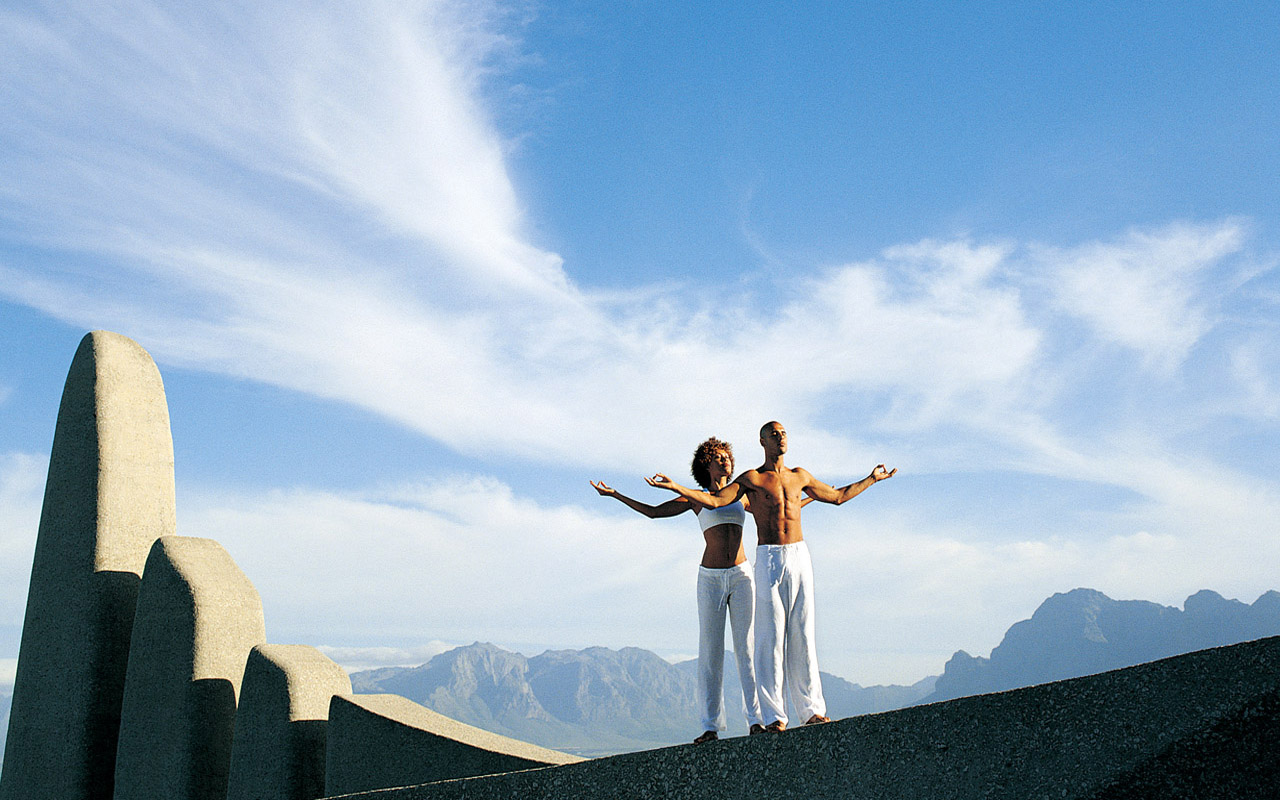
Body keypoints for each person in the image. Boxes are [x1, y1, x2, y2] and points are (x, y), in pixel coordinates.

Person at [647, 421, 895, 732]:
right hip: (769, 558)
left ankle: (812, 711)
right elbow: (716, 501)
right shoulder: (751, 479)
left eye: (783, 433)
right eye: (774, 434)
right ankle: (773, 716)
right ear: (762, 441)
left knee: (803, 632)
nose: (780, 437)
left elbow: (837, 496)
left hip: (799, 554)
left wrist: (871, 479)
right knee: (769, 637)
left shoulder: (800, 476)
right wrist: (676, 487)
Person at [590, 437, 767, 744]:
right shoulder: (695, 498)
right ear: (706, 464)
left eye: (727, 456)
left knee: (747, 649)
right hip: (710, 579)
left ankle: (756, 721)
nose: (725, 460)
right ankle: (710, 727)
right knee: (710, 652)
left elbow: (775, 509)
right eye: (718, 457)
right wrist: (615, 494)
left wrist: (802, 499)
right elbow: (653, 512)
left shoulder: (742, 495)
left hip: (741, 576)